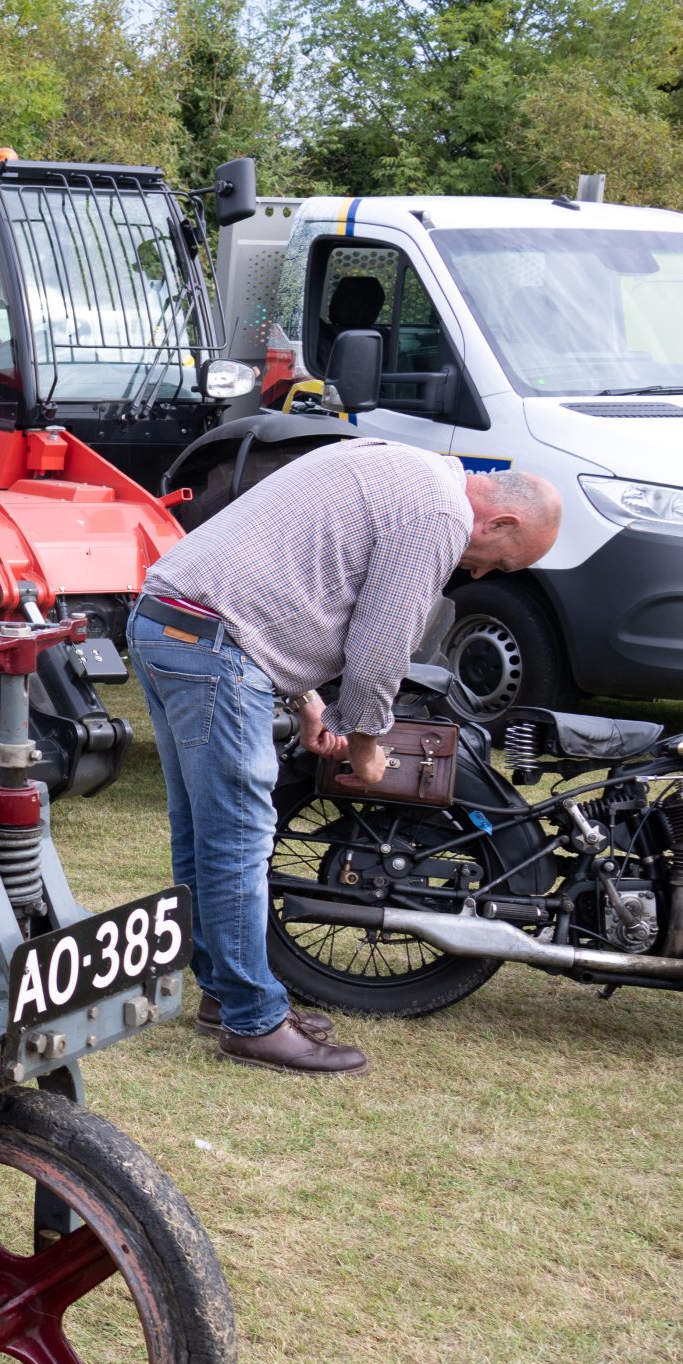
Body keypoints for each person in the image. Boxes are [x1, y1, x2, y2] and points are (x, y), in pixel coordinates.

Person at [129, 439, 562, 1075]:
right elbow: (382, 645)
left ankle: (228, 995)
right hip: (214, 645)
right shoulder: (438, 515)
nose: (480, 575)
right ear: (501, 521)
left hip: (172, 622)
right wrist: (366, 744)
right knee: (238, 840)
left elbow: (284, 572)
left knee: (205, 831)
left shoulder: (399, 467)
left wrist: (305, 698)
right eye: (500, 561)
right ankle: (254, 1021)